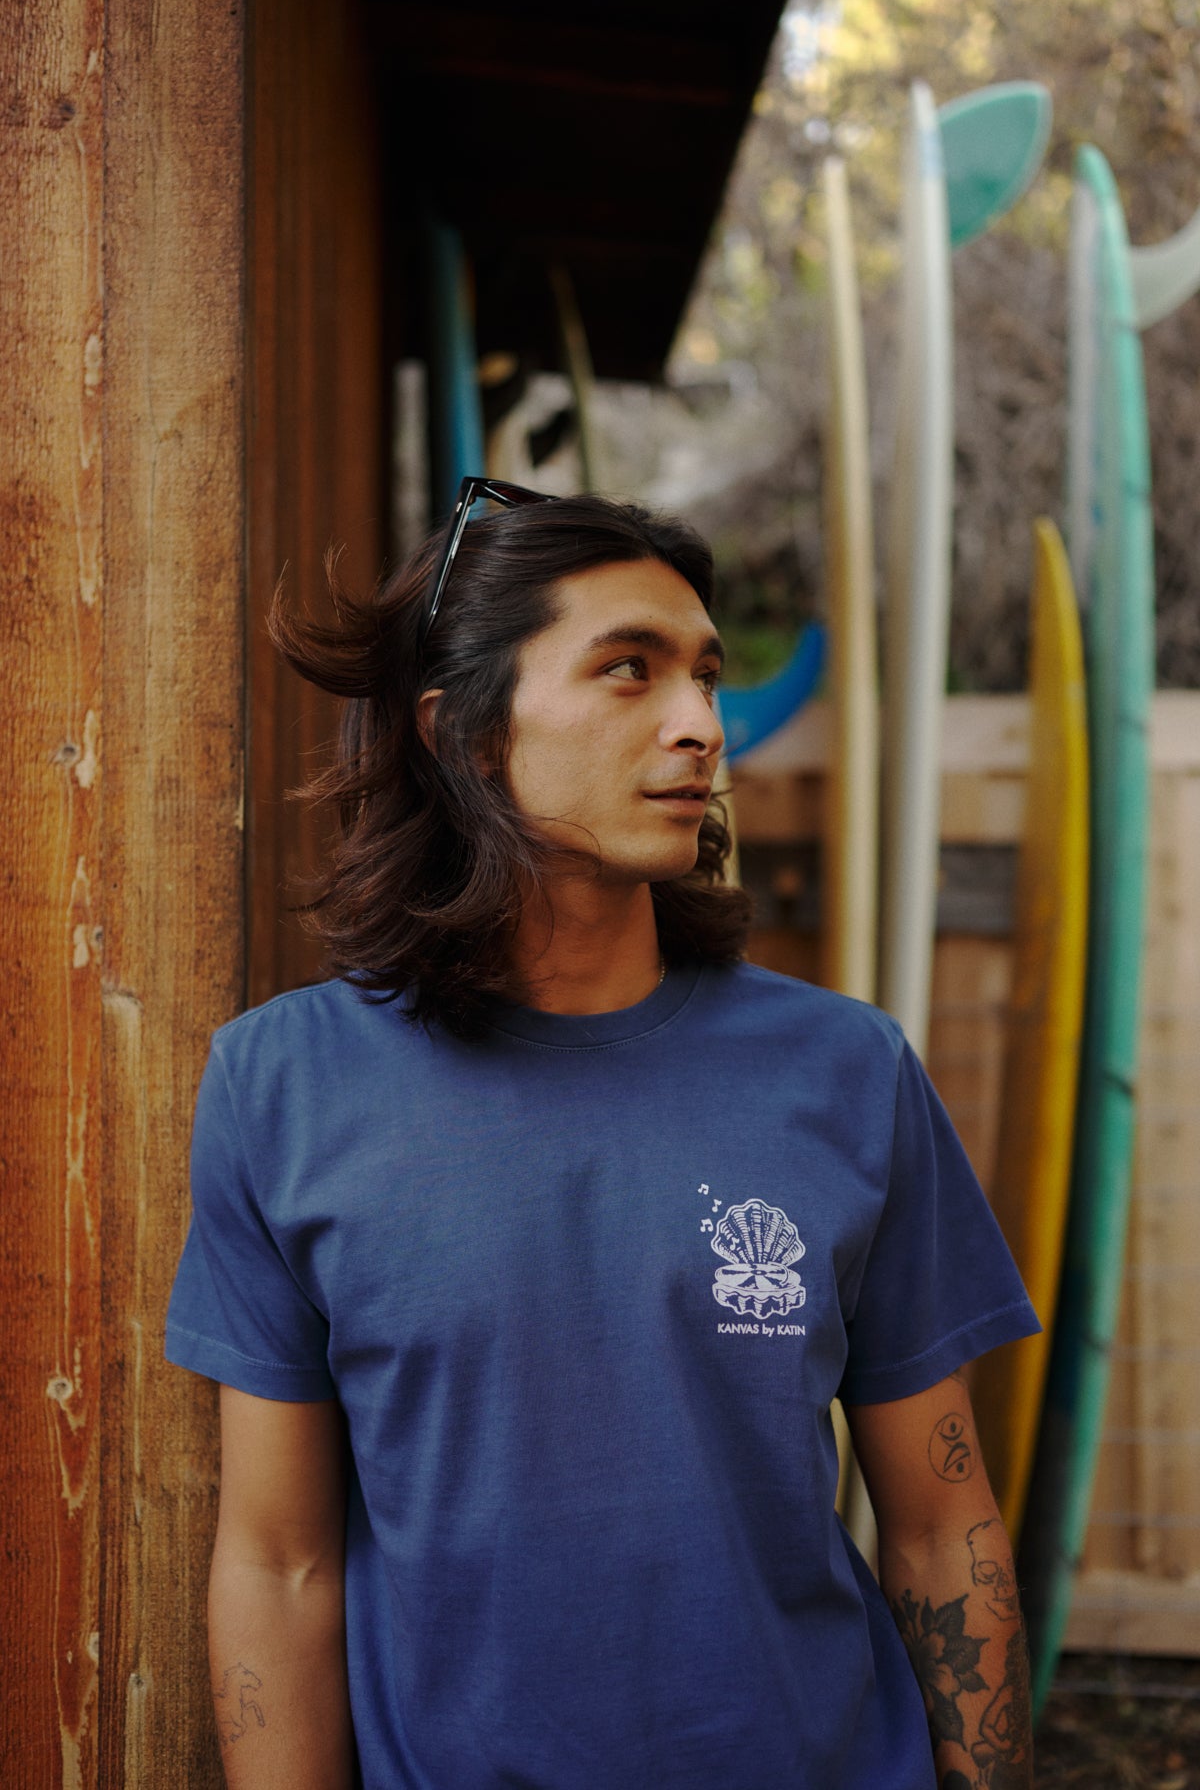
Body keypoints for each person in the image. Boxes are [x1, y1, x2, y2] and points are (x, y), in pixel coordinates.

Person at [167, 482, 1039, 1790]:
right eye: (626, 673)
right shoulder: (282, 1088)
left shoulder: (846, 1073)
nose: (700, 724)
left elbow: (940, 1523)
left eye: (704, 674)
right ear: (460, 733)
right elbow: (279, 1564)